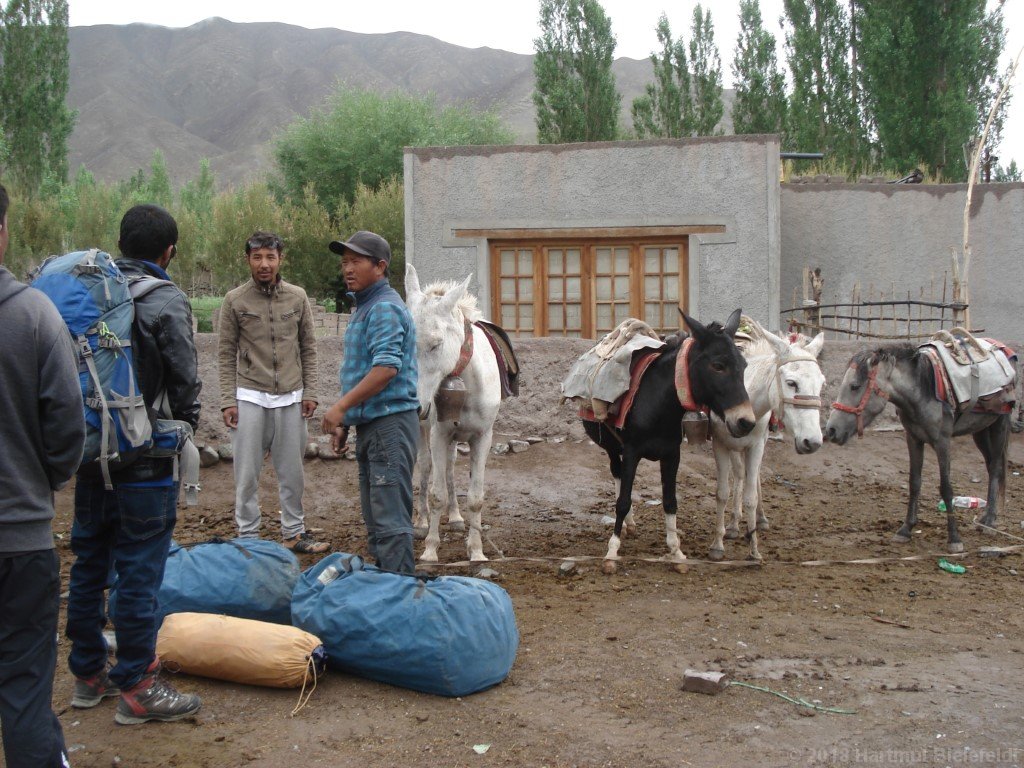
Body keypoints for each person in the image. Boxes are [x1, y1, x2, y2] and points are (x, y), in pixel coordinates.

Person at [65, 204, 203, 725]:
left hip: (89, 451)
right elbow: (184, 377)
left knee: (89, 563)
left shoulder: (89, 294)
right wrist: (183, 425)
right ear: (169, 251)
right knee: (140, 570)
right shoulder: (165, 297)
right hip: (145, 457)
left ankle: (87, 675)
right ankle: (139, 685)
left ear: (120, 242)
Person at [0, 184, 83, 767]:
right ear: (3, 230)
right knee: (25, 688)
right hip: (19, 539)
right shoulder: (33, 315)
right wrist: (38, 483)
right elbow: (67, 432)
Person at [217, 231, 326, 553]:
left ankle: (293, 532)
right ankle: (247, 537)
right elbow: (225, 352)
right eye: (257, 257)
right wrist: (227, 400)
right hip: (250, 395)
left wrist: (312, 392)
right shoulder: (235, 300)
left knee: (292, 473)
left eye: (270, 257)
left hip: (291, 396)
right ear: (248, 260)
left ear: (280, 259)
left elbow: (309, 347)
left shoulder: (297, 297)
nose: (264, 264)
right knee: (246, 474)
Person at [321, 231, 419, 574]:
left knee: (390, 516)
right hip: (373, 424)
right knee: (377, 514)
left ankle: (401, 593)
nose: (347, 269)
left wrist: (341, 408)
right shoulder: (365, 307)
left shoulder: (385, 309)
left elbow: (385, 369)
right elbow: (363, 370)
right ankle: (387, 589)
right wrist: (348, 422)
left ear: (380, 266)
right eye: (344, 262)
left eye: (356, 261)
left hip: (390, 424)